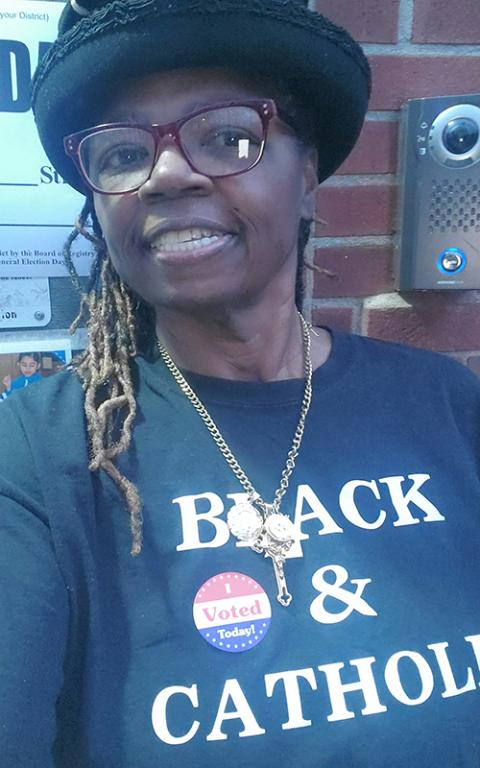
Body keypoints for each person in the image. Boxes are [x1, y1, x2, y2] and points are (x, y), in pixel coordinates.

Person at [0, 1, 479, 766]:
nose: (165, 173)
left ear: (309, 170)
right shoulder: (39, 460)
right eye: (122, 154)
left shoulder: (446, 406)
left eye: (228, 137)